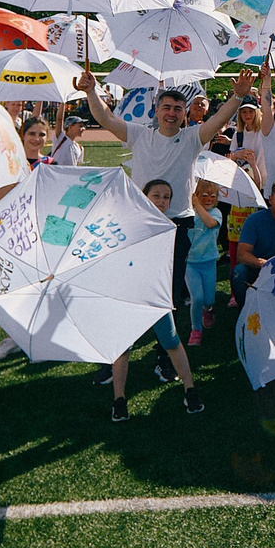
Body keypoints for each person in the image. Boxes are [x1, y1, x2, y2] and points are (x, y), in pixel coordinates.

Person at [81, 67, 246, 320]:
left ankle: (165, 350)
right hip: (141, 221)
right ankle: (132, 328)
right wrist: (92, 90)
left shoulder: (193, 138)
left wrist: (237, 97)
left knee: (170, 291)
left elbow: (218, 119)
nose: (171, 113)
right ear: (157, 111)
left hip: (178, 223)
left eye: (178, 109)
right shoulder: (139, 135)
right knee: (136, 281)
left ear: (184, 114)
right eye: (167, 108)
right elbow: (106, 119)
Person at [108, 178, 205, 421]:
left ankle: (190, 390)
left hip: (156, 295)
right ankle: (119, 399)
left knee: (172, 342)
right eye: (157, 195)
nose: (162, 201)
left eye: (166, 197)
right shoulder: (130, 222)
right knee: (123, 347)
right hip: (130, 294)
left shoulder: (170, 227)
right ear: (145, 196)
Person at [184, 173, 226, 344]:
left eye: (212, 196)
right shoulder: (189, 213)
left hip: (208, 262)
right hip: (191, 263)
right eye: (204, 195)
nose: (209, 199)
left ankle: (208, 309)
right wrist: (192, 205)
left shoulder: (216, 213)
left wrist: (197, 204)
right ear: (196, 195)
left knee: (209, 299)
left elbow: (209, 223)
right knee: (197, 298)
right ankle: (196, 330)